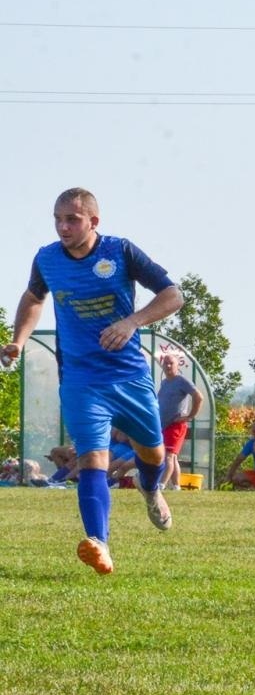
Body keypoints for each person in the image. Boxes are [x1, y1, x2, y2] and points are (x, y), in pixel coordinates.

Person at [2, 188, 183, 574]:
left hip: (129, 375)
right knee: (91, 458)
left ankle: (151, 488)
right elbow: (33, 298)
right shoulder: (47, 259)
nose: (62, 227)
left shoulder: (121, 251)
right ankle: (98, 543)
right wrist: (18, 340)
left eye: (72, 219)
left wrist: (132, 322)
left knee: (153, 454)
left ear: (93, 222)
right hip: (80, 378)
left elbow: (173, 295)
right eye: (57, 219)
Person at [156, 351, 203, 489]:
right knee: (173, 457)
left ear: (177, 365)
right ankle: (177, 487)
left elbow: (199, 397)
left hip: (175, 425)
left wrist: (190, 416)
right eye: (166, 363)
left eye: (171, 363)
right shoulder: (164, 383)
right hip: (165, 425)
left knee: (168, 456)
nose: (168, 366)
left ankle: (161, 485)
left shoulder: (181, 381)